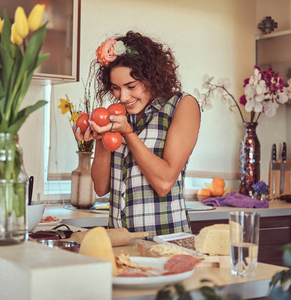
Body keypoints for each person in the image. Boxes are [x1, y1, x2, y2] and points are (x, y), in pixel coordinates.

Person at [75, 31, 200, 239]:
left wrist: (127, 133)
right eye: (116, 88)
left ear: (152, 76)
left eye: (131, 86)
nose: (123, 97)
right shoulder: (118, 114)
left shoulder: (182, 105)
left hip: (167, 242)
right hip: (121, 242)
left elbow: (164, 183)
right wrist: (101, 138)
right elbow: (100, 187)